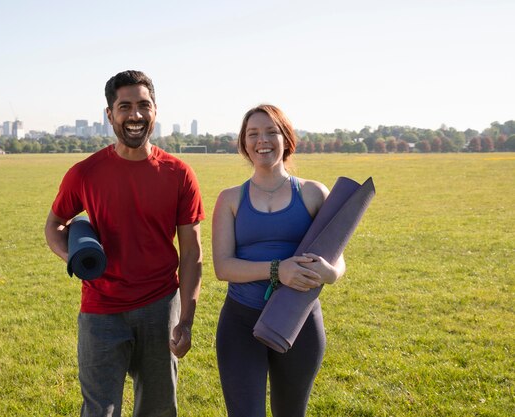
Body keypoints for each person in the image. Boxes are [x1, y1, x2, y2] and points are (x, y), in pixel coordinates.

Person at [44, 70, 204, 417]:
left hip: (161, 307)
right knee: (100, 410)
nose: (135, 115)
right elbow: (54, 225)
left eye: (143, 105)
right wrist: (76, 258)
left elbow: (192, 254)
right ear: (109, 115)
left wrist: (186, 320)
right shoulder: (85, 173)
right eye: (125, 106)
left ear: (155, 111)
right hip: (101, 309)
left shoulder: (178, 174)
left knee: (159, 409)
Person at [212, 104, 346, 417]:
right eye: (253, 134)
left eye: (272, 132)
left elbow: (339, 261)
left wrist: (330, 273)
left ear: (286, 138)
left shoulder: (313, 193)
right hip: (240, 322)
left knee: (291, 412)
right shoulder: (230, 198)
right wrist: (277, 270)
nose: (263, 140)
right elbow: (223, 266)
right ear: (244, 144)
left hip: (298, 321)